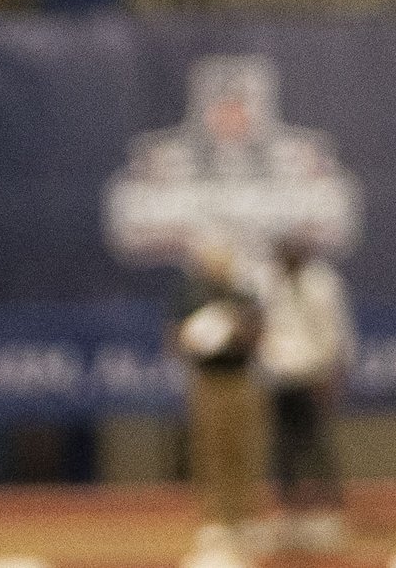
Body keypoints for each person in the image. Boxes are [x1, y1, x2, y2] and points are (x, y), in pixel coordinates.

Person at [259, 231, 356, 551]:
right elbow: (263, 329)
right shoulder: (268, 283)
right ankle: (289, 513)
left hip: (314, 373)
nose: (286, 259)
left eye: (292, 253)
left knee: (317, 443)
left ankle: (328, 513)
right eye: (281, 253)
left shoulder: (323, 283)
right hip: (280, 375)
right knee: (283, 446)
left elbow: (337, 327)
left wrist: (333, 371)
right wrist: (266, 366)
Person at [171, 238, 267, 557]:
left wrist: (234, 331)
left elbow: (259, 336)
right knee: (211, 450)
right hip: (207, 380)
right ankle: (214, 520)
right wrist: (198, 337)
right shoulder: (190, 296)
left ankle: (242, 518)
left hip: (239, 378)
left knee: (243, 451)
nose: (218, 265)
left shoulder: (242, 295)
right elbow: (175, 340)